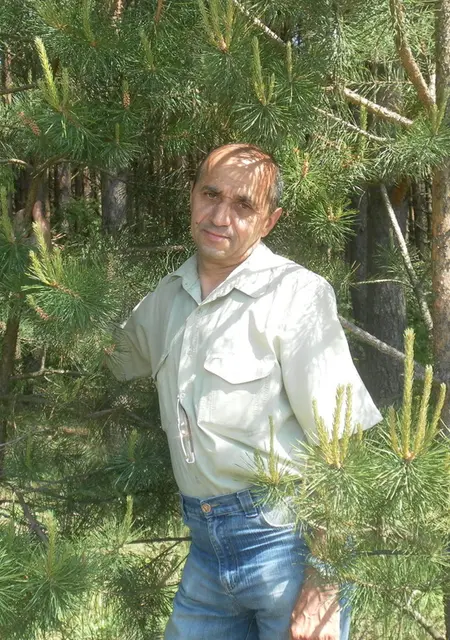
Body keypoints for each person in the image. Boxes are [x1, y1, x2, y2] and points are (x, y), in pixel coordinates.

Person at [107, 143, 382, 640]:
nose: (219, 216)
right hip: (205, 552)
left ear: (269, 221)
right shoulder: (167, 297)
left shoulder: (296, 295)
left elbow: (344, 449)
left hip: (286, 544)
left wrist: (324, 581)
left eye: (243, 205)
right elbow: (104, 358)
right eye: (210, 195)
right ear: (192, 196)